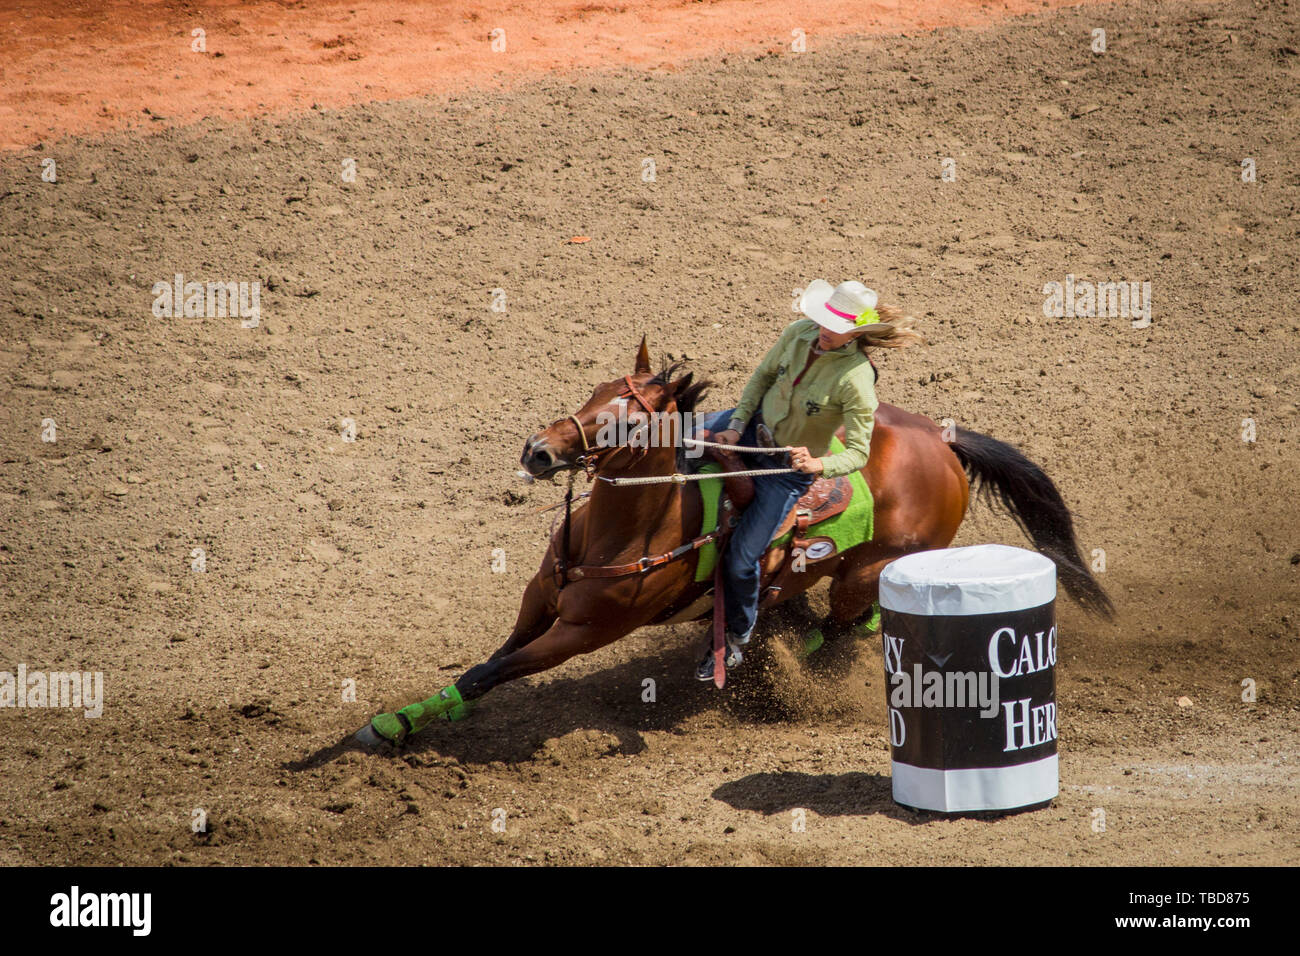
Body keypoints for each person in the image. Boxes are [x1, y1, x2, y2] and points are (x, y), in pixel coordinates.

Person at [694, 279, 924, 681]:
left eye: (834, 325)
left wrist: (818, 465)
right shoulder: (796, 334)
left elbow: (858, 452)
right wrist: (734, 424)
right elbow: (762, 378)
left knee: (743, 557)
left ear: (855, 333)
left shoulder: (856, 379)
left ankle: (737, 635)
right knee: (679, 440)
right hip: (751, 430)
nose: (823, 328)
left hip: (785, 472)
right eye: (822, 319)